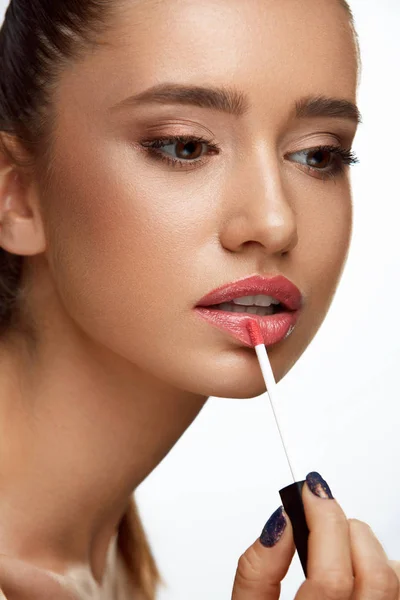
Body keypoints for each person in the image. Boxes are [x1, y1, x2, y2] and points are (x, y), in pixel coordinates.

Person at [0, 0, 398, 598]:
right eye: (185, 145)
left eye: (319, 154)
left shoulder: (101, 575)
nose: (274, 221)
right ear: (17, 196)